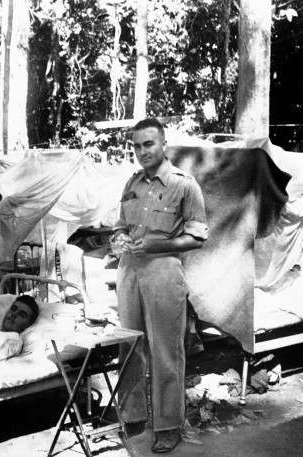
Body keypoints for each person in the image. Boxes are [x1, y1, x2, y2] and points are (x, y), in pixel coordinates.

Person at [111, 118, 208, 453]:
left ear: (164, 145)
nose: (142, 152)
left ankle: (168, 426)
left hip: (164, 272)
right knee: (129, 347)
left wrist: (157, 246)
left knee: (166, 350)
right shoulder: (132, 183)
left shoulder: (184, 185)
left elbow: (197, 237)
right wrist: (119, 239)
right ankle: (133, 415)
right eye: (136, 146)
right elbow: (120, 226)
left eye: (148, 144)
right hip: (129, 272)